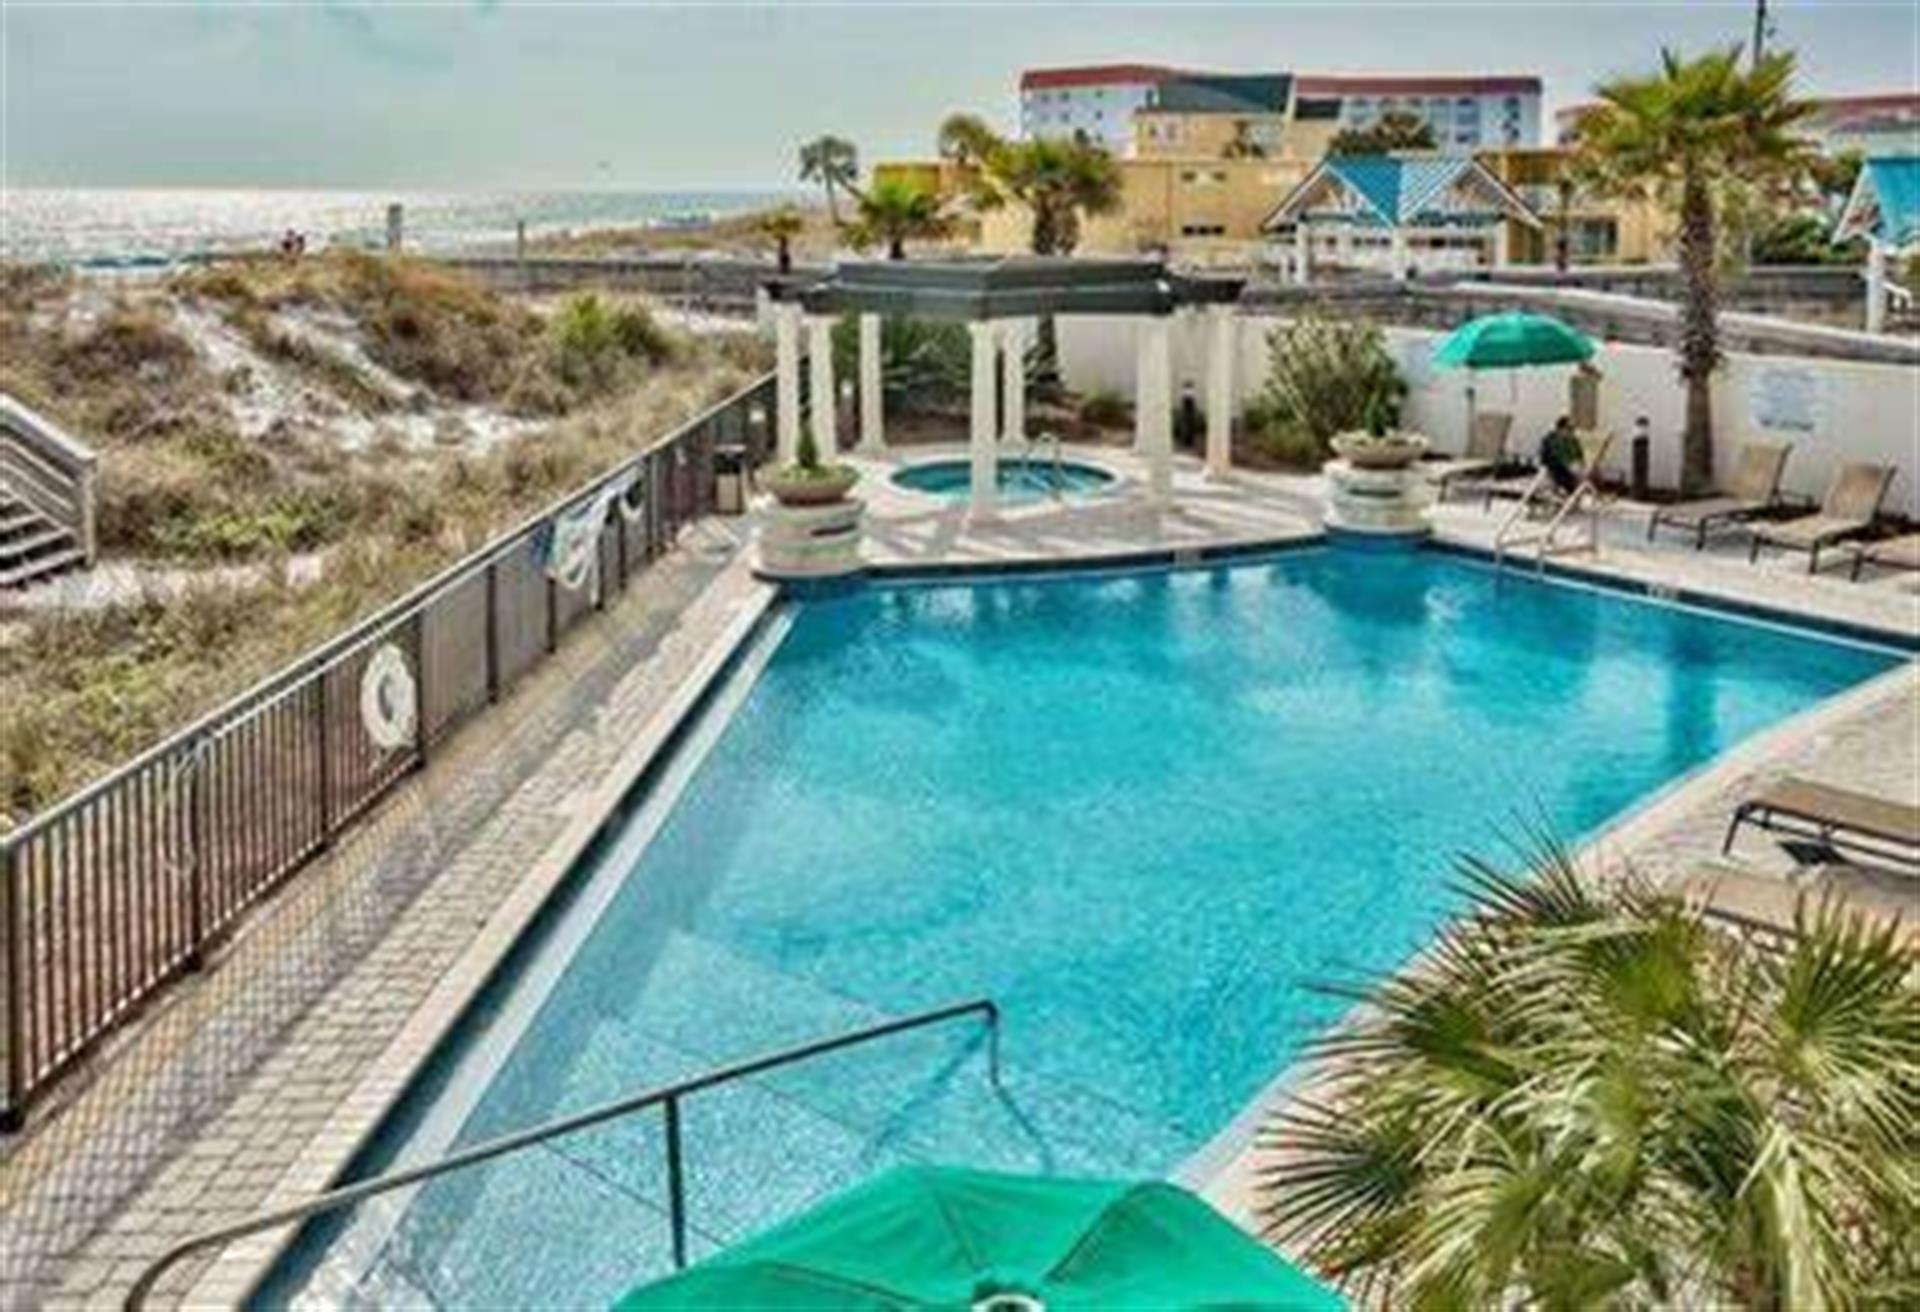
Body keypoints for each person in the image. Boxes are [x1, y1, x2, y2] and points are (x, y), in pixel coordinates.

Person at [1538, 415, 1582, 495]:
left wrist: (1578, 463)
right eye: (1569, 429)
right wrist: (1569, 465)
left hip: (1568, 468)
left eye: (1572, 429)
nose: (1571, 432)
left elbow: (1579, 454)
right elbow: (1551, 456)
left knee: (1574, 483)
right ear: (1560, 428)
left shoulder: (1573, 440)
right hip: (1556, 468)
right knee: (1568, 482)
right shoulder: (1552, 439)